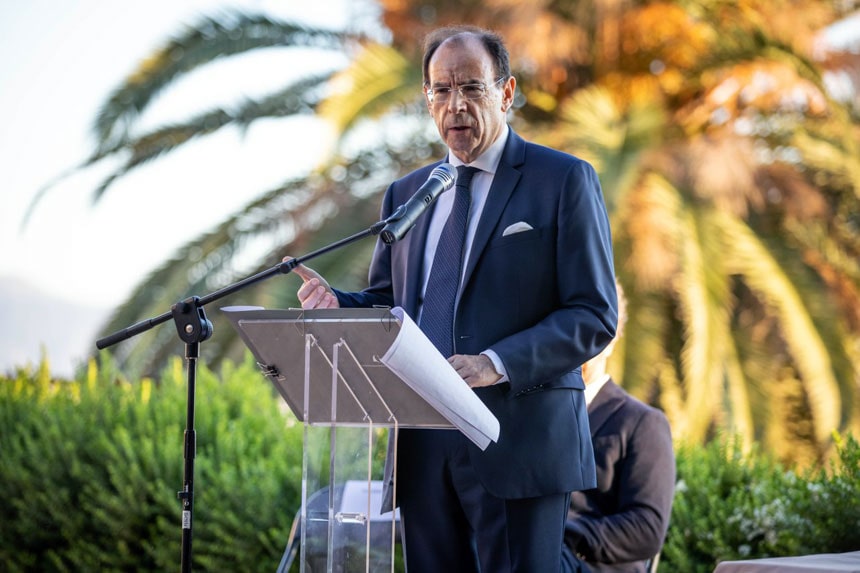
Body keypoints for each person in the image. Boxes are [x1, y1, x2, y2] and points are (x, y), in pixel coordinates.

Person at [288, 25, 617, 573]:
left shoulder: (561, 180)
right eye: (441, 90)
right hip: (422, 447)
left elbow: (593, 314)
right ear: (427, 99)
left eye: (471, 87)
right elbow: (391, 304)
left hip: (518, 442)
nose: (455, 105)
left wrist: (495, 363)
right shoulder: (408, 195)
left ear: (506, 93)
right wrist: (338, 306)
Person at [561, 283, 676, 573]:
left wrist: (561, 535)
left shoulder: (642, 423)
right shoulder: (531, 419)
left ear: (612, 339)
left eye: (588, 333)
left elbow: (647, 528)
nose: (576, 345)